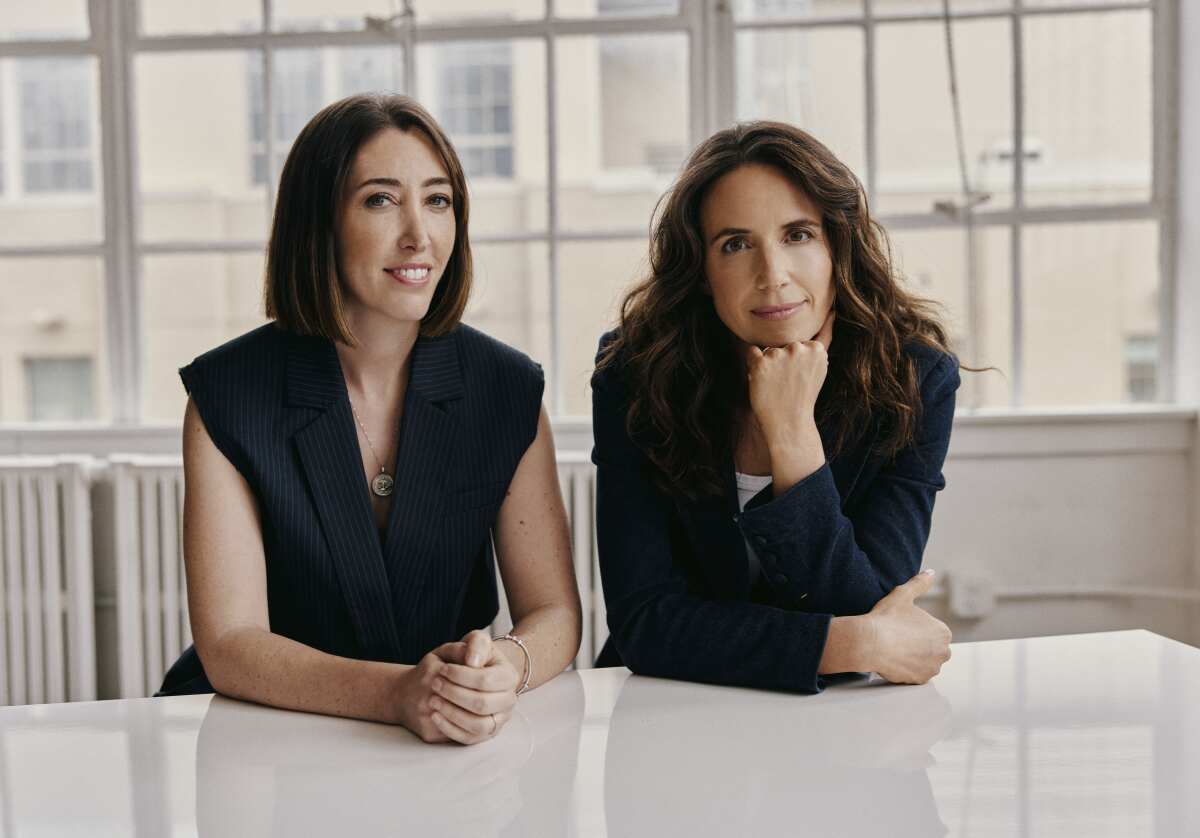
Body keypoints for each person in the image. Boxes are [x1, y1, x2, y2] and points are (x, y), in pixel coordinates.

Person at [157, 94, 582, 746]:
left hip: (448, 745)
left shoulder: (507, 387)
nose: (420, 234)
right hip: (264, 738)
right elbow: (232, 643)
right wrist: (396, 694)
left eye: (438, 200)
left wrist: (505, 668)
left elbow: (552, 612)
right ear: (318, 222)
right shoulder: (227, 394)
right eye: (380, 200)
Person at [591, 120, 956, 692]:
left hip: (838, 724)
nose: (773, 276)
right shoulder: (634, 374)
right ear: (704, 272)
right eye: (735, 244)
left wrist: (792, 437)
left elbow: (864, 599)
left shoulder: (914, 380)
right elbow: (645, 622)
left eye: (798, 235)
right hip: (668, 709)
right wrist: (850, 641)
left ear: (838, 247)